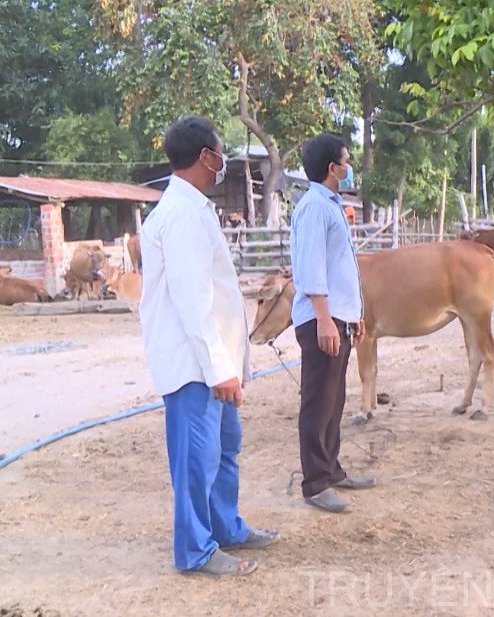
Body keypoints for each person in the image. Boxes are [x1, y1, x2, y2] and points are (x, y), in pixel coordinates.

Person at [139, 116, 278, 576]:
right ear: (205, 157)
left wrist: (232, 363)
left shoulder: (194, 208)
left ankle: (226, 528)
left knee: (223, 449)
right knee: (196, 462)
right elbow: (192, 300)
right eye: (220, 153)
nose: (224, 163)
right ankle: (196, 551)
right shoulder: (179, 216)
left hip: (214, 361)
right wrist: (220, 367)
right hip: (194, 364)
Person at [290, 133, 375, 513]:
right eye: (346, 159)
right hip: (321, 320)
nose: (349, 165)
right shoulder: (314, 207)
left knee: (334, 400)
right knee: (318, 401)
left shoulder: (332, 205)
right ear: (332, 168)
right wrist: (324, 319)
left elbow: (341, 267)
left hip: (338, 318)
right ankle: (315, 483)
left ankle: (332, 469)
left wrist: (352, 317)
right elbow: (312, 269)